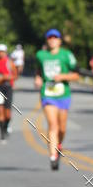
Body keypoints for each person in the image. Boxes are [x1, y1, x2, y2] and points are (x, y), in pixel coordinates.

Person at [34, 29, 79, 170]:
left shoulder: (66, 55)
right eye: (50, 37)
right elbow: (39, 70)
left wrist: (63, 77)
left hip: (63, 94)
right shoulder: (41, 55)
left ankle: (58, 145)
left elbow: (76, 75)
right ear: (47, 40)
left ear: (59, 40)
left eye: (55, 37)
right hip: (47, 94)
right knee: (52, 125)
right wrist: (38, 78)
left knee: (62, 128)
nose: (52, 40)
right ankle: (53, 156)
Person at [0, 44, 18, 141]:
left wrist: (5, 77)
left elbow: (15, 76)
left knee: (7, 114)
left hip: (8, 88)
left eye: (2, 51)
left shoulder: (9, 63)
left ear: (5, 52)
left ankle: (6, 126)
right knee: (0, 111)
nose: (0, 53)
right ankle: (2, 133)